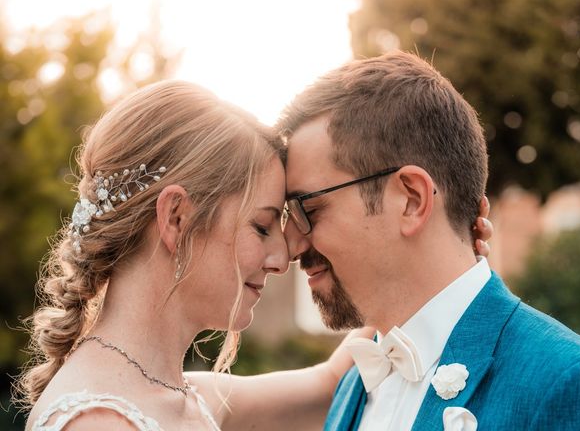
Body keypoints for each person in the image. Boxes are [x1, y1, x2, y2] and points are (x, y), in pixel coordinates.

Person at [18, 80, 492, 430]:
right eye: (262, 225)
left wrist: (443, 251)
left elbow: (331, 383)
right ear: (177, 218)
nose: (282, 255)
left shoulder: (182, 394)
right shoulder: (101, 423)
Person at [277, 51, 580, 430]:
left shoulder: (569, 383)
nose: (291, 244)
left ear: (412, 199)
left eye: (309, 209)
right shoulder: (355, 385)